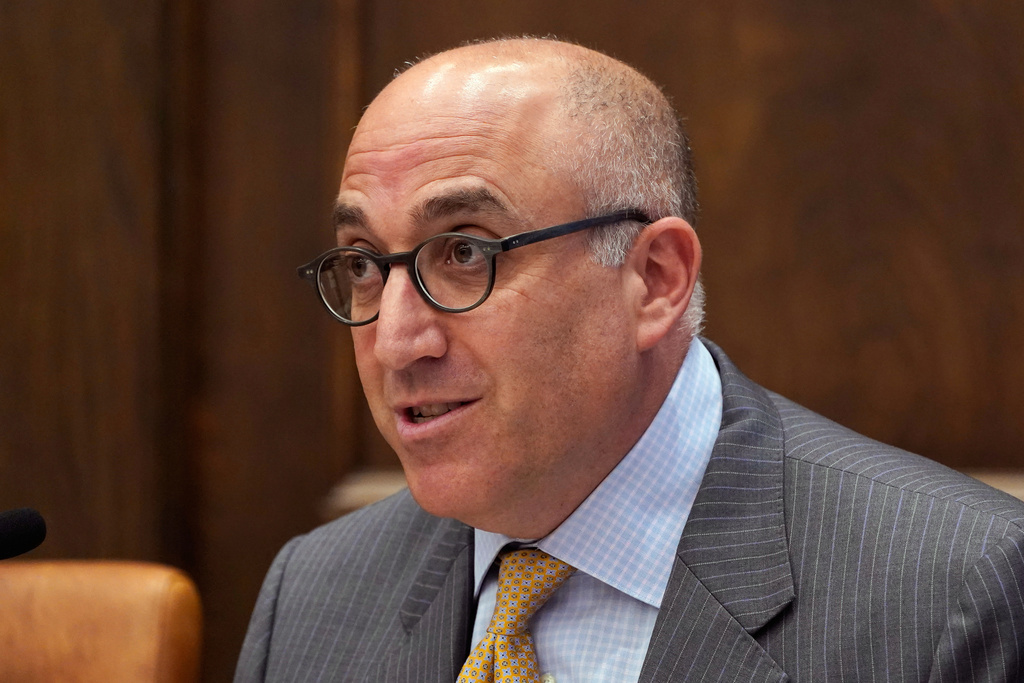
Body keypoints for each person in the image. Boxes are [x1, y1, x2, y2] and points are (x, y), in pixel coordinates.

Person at [235, 37, 1024, 682]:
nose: (399, 340)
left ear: (655, 280)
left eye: (466, 252)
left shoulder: (952, 592)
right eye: (365, 263)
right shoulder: (312, 595)